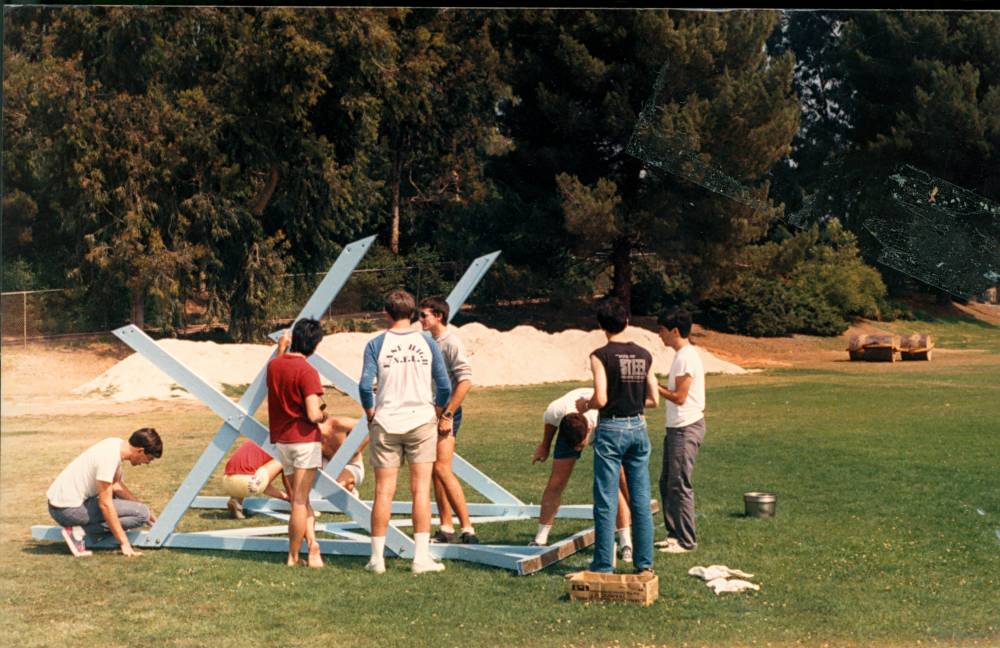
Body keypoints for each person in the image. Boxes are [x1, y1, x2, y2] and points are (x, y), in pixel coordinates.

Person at [360, 289, 452, 574]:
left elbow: (365, 386)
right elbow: (445, 385)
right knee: (420, 491)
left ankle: (377, 559)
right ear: (412, 313)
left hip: (386, 421)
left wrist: (370, 413)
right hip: (421, 421)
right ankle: (420, 558)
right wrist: (437, 412)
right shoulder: (427, 342)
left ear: (386, 313)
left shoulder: (376, 343)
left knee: (383, 491)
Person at [576, 298, 658, 574]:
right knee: (640, 499)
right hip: (639, 427)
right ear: (627, 321)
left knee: (606, 499)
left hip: (611, 428)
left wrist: (585, 404)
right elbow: (654, 399)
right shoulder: (645, 354)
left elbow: (601, 397)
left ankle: (603, 565)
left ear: (601, 326)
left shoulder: (600, 355)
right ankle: (644, 565)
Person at [530, 388, 635, 562]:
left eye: (581, 445)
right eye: (575, 448)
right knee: (556, 483)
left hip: (608, 426)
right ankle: (540, 539)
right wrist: (545, 446)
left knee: (613, 482)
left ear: (588, 431)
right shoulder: (556, 411)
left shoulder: (603, 415)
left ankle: (626, 542)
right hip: (572, 424)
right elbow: (550, 424)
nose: (579, 450)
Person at [267, 317, 329, 568]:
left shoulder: (274, 366)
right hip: (304, 440)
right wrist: (324, 414)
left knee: (298, 501)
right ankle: (293, 556)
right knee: (300, 502)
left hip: (283, 441)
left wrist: (282, 346)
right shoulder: (308, 371)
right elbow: (314, 414)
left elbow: (279, 361)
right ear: (314, 346)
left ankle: (313, 544)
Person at [46, 427, 163, 558]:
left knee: (142, 511)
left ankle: (84, 530)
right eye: (149, 458)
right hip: (67, 511)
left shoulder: (116, 444)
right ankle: (77, 532)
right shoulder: (110, 458)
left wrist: (147, 510)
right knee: (140, 514)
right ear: (140, 450)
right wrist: (124, 542)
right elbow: (105, 504)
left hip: (61, 506)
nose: (147, 463)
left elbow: (116, 485)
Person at [418, 296, 478, 545]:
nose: (420, 320)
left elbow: (465, 381)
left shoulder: (451, 342)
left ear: (438, 316)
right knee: (434, 470)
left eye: (424, 315)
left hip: (447, 414)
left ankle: (468, 528)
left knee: (442, 468)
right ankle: (446, 528)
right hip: (431, 413)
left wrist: (448, 414)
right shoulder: (428, 342)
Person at [654, 307, 707, 554]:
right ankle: (674, 534)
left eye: (662, 330)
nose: (660, 335)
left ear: (674, 330)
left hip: (686, 428)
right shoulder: (680, 355)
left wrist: (654, 386)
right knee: (667, 482)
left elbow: (680, 396)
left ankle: (687, 540)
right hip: (676, 428)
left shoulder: (687, 356)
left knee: (679, 483)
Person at [222, 440, 290, 519]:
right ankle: (295, 499)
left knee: (247, 470)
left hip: (227, 481)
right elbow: (287, 475)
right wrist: (290, 496)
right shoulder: (281, 446)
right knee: (284, 461)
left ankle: (236, 502)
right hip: (249, 483)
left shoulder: (255, 439)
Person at [319, 415, 368, 496]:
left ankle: (351, 493)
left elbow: (369, 426)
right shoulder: (308, 437)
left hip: (351, 465)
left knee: (339, 485)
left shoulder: (339, 424)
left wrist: (353, 451)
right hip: (325, 463)